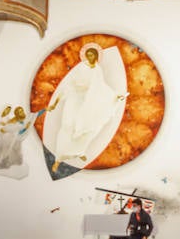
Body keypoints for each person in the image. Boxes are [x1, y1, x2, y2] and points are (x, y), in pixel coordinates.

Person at [45, 43, 127, 173]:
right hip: (74, 99)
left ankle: (78, 151)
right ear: (85, 56)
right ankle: (58, 158)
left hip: (87, 102)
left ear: (96, 56)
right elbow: (68, 85)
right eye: (88, 55)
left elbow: (102, 88)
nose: (90, 57)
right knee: (68, 126)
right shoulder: (80, 68)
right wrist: (55, 103)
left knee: (86, 129)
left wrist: (115, 97)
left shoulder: (97, 70)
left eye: (92, 55)